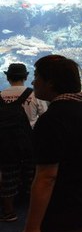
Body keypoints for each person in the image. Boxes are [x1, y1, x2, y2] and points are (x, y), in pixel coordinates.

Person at [22, 55, 82, 232]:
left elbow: (46, 177)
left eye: (37, 76)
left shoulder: (52, 119)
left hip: (68, 215)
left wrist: (32, 227)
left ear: (50, 83)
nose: (33, 82)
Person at [0, 63, 47, 222]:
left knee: (8, 176)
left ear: (7, 77)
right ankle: (33, 210)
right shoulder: (34, 95)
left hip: (6, 144)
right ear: (26, 77)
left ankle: (9, 212)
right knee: (33, 176)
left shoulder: (0, 95)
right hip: (30, 142)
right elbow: (45, 117)